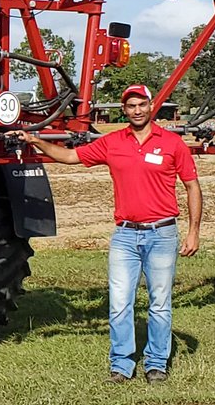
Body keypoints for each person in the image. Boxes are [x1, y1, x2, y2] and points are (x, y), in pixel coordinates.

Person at [18, 84, 202, 384]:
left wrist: (193, 232)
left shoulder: (171, 143)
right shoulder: (113, 142)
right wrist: (35, 140)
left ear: (151, 105)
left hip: (162, 234)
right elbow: (70, 157)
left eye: (142, 104)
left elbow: (192, 186)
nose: (137, 110)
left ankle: (156, 363)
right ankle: (121, 365)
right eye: (131, 106)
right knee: (119, 302)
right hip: (126, 236)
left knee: (159, 303)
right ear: (124, 110)